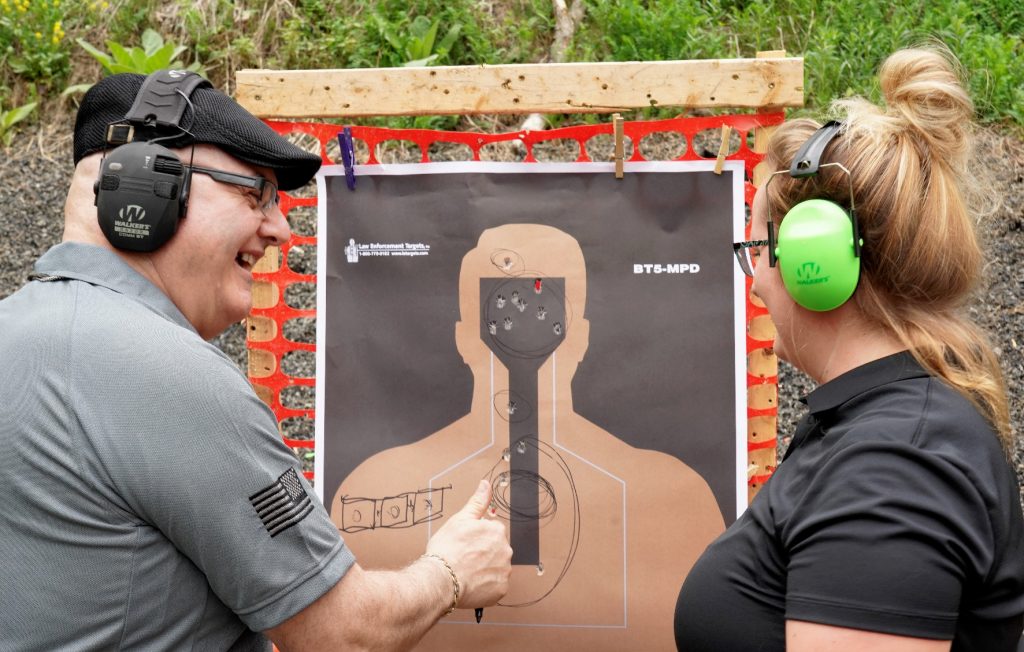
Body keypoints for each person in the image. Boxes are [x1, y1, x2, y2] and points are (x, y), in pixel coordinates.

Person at [0, 71, 511, 651]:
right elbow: (343, 634)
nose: (280, 230)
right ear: (143, 189)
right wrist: (450, 572)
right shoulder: (170, 376)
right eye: (255, 194)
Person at [675, 45, 1024, 650]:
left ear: (814, 263)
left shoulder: (892, 470)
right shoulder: (887, 434)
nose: (753, 277)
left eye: (755, 250)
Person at [332, 223, 725, 650]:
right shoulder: (375, 486)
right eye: (501, 306)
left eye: (543, 309)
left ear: (581, 336)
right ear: (463, 336)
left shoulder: (677, 498)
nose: (522, 327)